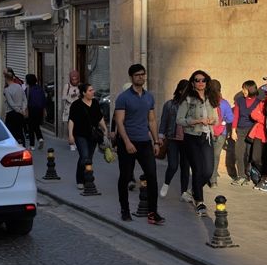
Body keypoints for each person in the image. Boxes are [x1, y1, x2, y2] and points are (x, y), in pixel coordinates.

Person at [114, 64, 164, 225]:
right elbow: (119, 122)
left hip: (144, 143)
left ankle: (153, 212)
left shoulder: (149, 97)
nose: (141, 77)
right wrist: (127, 142)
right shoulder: (123, 98)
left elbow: (152, 120)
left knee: (152, 177)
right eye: (137, 75)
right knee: (125, 177)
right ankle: (125, 210)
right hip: (127, 143)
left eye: (143, 74)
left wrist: (156, 141)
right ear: (131, 77)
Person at [176, 70, 219, 217]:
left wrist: (212, 121)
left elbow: (216, 118)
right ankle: (200, 202)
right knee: (198, 169)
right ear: (193, 83)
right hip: (192, 137)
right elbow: (179, 120)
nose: (200, 83)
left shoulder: (211, 98)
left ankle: (190, 192)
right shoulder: (187, 99)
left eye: (203, 80)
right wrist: (197, 121)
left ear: (207, 82)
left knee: (208, 171)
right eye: (197, 80)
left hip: (207, 136)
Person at [68, 83, 107, 190]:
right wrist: (70, 135)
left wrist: (105, 129)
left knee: (88, 158)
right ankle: (81, 180)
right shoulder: (76, 104)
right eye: (90, 90)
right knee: (84, 156)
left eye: (93, 90)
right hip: (80, 135)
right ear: (84, 93)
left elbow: (99, 117)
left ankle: (86, 178)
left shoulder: (95, 102)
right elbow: (71, 120)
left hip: (92, 135)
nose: (93, 92)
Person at [158, 80, 191, 201]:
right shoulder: (169, 105)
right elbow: (164, 121)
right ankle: (166, 184)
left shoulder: (192, 105)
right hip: (172, 139)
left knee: (185, 167)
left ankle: (184, 192)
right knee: (173, 165)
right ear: (180, 91)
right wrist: (160, 136)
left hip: (187, 139)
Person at [229, 80, 260, 187]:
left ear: (250, 89)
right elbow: (236, 116)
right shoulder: (239, 100)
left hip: (252, 131)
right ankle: (241, 176)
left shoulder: (258, 102)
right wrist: (233, 130)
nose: (243, 91)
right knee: (239, 153)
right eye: (243, 89)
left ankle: (248, 176)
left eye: (245, 89)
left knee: (249, 154)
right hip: (240, 130)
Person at [208, 79, 234, 188]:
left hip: (208, 132)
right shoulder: (224, 103)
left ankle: (208, 175)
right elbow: (230, 118)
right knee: (216, 156)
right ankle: (213, 180)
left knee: (207, 156)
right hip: (221, 133)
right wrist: (222, 122)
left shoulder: (206, 102)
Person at [3, 71, 28, 146]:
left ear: (6, 79)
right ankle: (22, 146)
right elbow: (25, 99)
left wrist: (19, 110)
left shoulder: (7, 90)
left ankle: (13, 148)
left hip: (11, 113)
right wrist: (23, 109)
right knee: (20, 132)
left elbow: (11, 104)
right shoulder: (19, 86)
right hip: (20, 114)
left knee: (10, 133)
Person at [25, 74, 46, 150]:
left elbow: (25, 100)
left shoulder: (28, 90)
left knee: (30, 127)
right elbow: (44, 99)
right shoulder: (40, 88)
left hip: (31, 109)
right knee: (36, 125)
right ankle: (40, 138)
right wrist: (44, 110)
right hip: (39, 110)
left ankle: (32, 145)